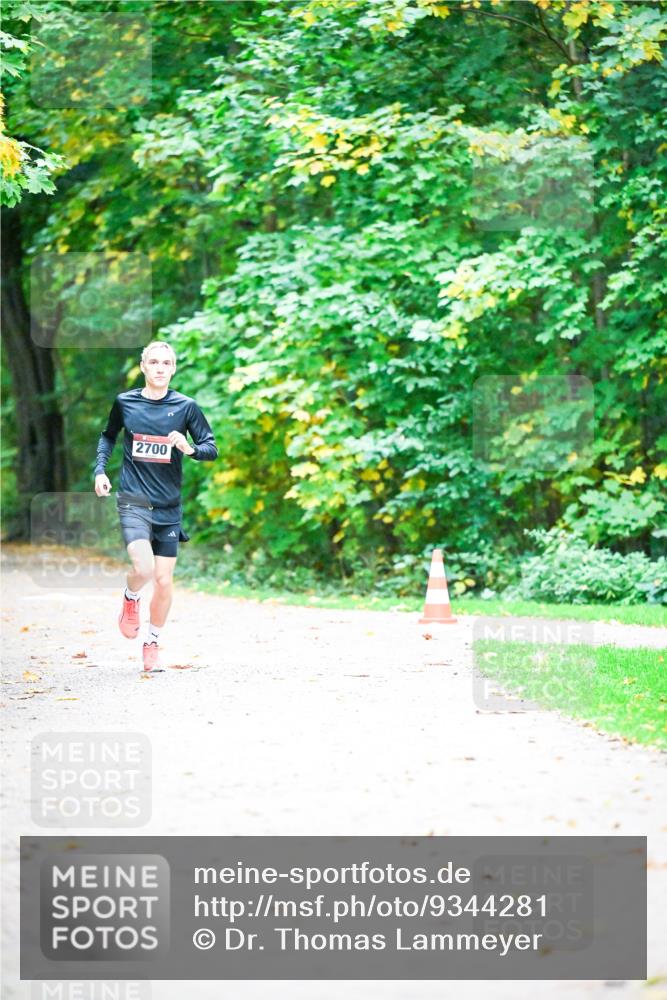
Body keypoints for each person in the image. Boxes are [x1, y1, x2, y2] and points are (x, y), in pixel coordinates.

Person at [93, 341, 218, 671]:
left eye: (166, 363)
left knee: (163, 580)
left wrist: (189, 448)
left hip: (168, 506)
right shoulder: (126, 402)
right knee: (144, 569)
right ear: (143, 366)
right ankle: (131, 597)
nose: (160, 368)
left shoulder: (186, 407)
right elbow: (108, 435)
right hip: (133, 500)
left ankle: (152, 642)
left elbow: (211, 447)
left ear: (173, 368)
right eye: (154, 362)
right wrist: (100, 470)